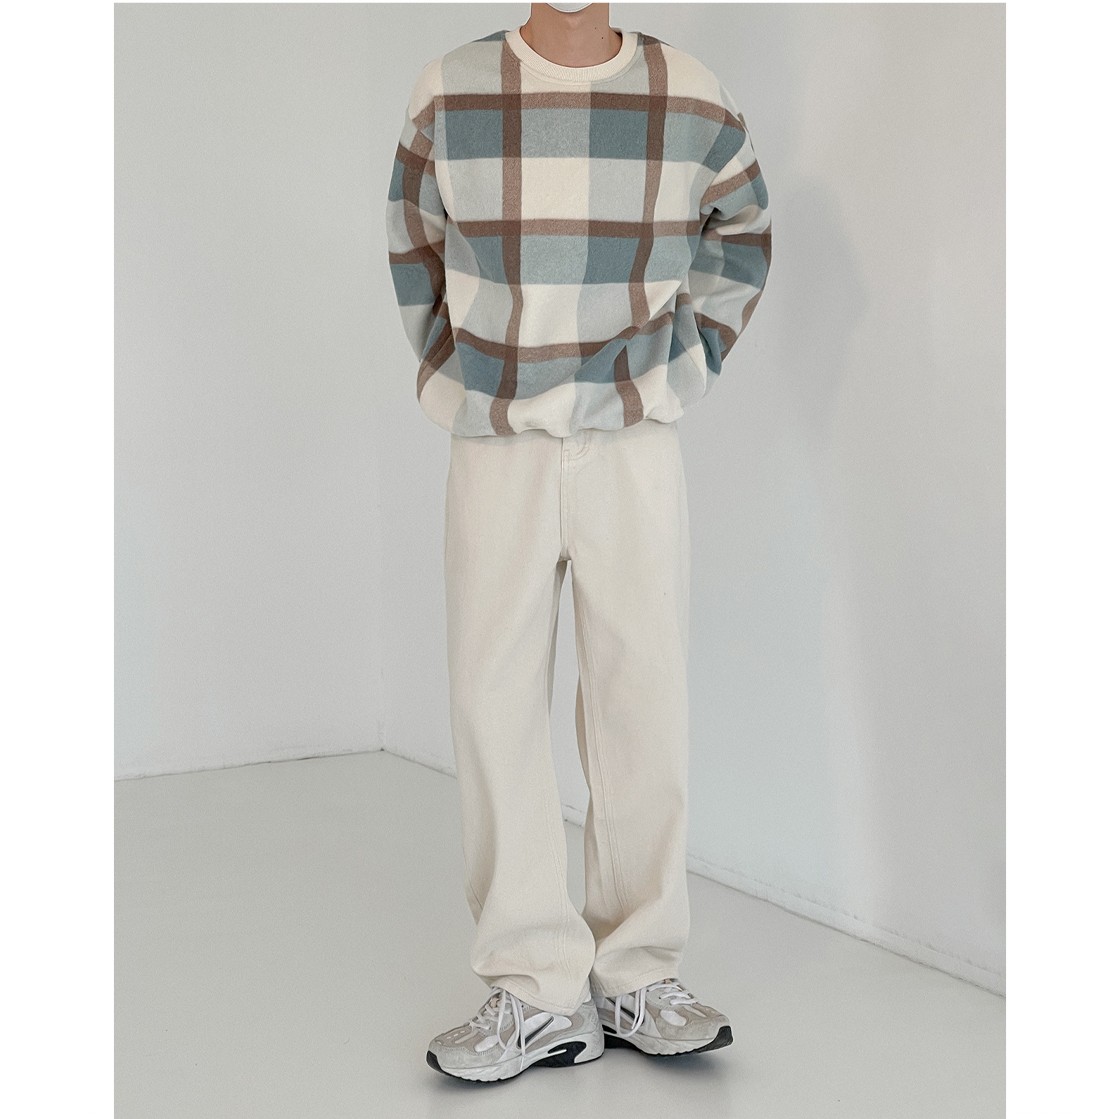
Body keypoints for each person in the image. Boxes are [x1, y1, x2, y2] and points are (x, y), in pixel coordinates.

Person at [385, 1, 771, 1083]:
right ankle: (533, 986)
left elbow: (742, 236)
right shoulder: (451, 88)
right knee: (492, 696)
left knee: (642, 692)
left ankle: (638, 969)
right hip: (497, 440)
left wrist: (679, 367)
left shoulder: (688, 92)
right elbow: (414, 244)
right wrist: (459, 372)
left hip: (634, 438)